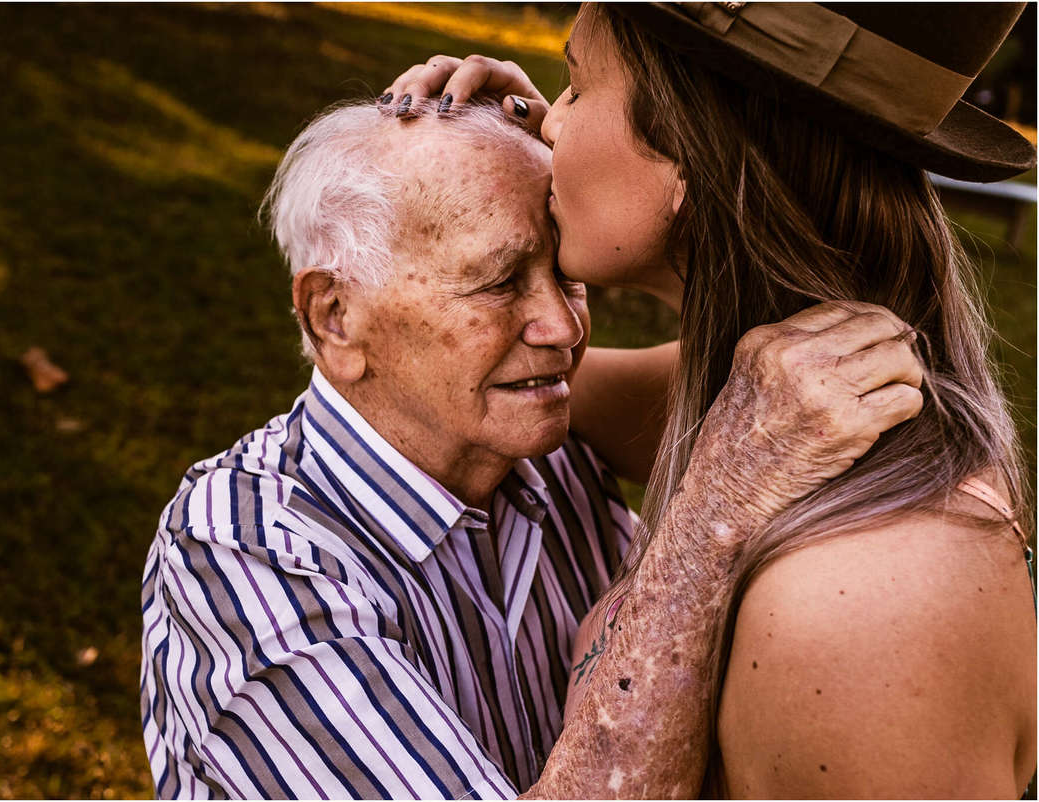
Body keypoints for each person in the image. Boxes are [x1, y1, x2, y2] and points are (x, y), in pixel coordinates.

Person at [139, 97, 924, 798]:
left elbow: (833, 333)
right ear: (335, 317)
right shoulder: (244, 552)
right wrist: (708, 522)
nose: (564, 330)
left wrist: (582, 148)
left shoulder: (537, 440)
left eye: (567, 274)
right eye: (498, 283)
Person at [385, 2, 1037, 797]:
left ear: (684, 156)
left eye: (579, 88)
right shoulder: (770, 413)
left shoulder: (867, 606)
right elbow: (465, 383)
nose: (551, 128)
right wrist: (499, 186)